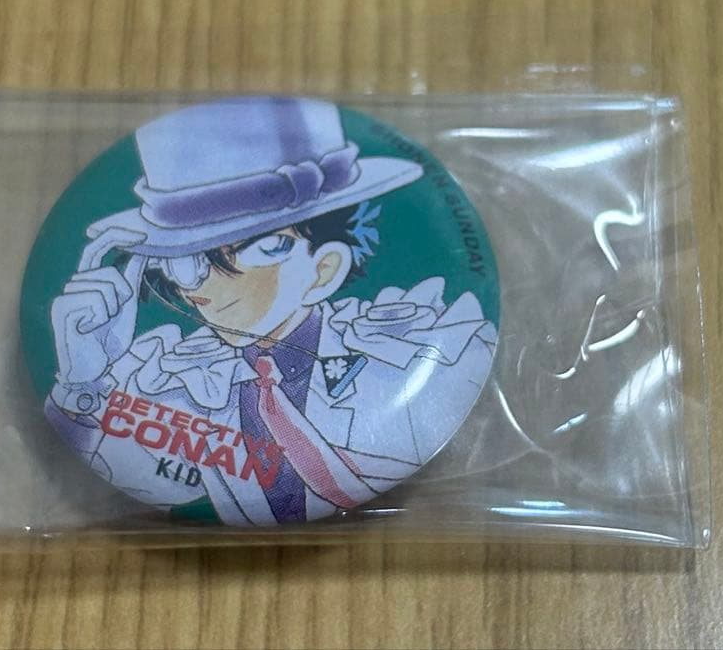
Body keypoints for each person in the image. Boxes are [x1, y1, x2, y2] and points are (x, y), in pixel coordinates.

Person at [45, 97, 496, 525]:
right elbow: (143, 481)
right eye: (182, 261)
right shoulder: (173, 382)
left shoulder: (417, 357)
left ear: (324, 269)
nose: (198, 287)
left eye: (240, 254)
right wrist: (84, 381)